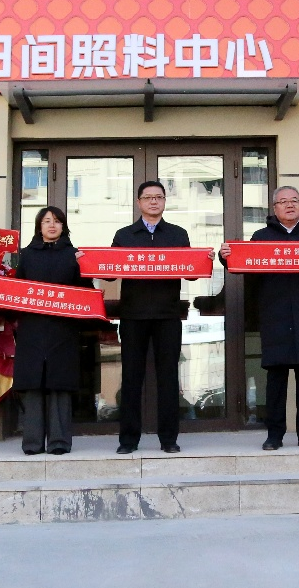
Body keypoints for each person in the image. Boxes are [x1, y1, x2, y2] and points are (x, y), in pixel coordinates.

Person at [219, 186, 299, 451]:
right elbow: (243, 267)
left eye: (294, 201)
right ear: (274, 207)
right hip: (275, 316)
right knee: (275, 379)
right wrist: (227, 258)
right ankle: (274, 434)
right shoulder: (261, 237)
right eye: (283, 202)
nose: (289, 205)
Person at [111, 180, 191, 455]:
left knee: (168, 378)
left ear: (165, 201)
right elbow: (109, 271)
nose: (153, 201)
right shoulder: (124, 235)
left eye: (158, 197)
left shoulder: (178, 234)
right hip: (133, 316)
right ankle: (128, 440)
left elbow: (192, 272)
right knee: (131, 378)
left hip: (168, 315)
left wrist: (205, 258)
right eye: (148, 197)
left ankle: (168, 439)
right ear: (139, 203)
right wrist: (88, 259)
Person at [10, 206, 90, 455]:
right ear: (39, 227)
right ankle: (32, 443)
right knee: (33, 384)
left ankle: (59, 442)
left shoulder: (74, 255)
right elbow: (16, 289)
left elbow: (86, 292)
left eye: (56, 221)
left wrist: (85, 266)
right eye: (46, 221)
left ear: (63, 226)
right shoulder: (27, 255)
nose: (52, 225)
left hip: (63, 329)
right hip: (32, 329)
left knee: (59, 384)